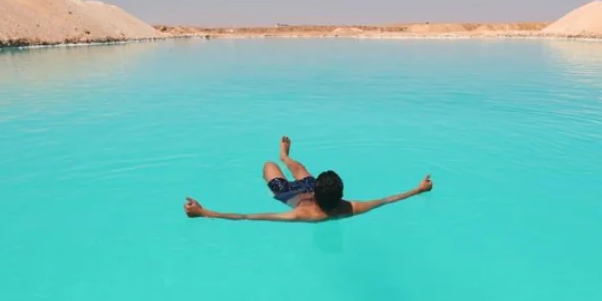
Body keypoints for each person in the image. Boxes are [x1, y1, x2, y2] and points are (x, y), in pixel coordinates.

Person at [184, 136, 433, 222]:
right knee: (300, 168)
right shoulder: (349, 207)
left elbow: (249, 217)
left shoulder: (302, 215)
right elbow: (388, 199)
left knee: (268, 166)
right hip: (306, 189)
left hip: (288, 194)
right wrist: (418, 190)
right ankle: (286, 156)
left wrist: (204, 212)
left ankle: (281, 158)